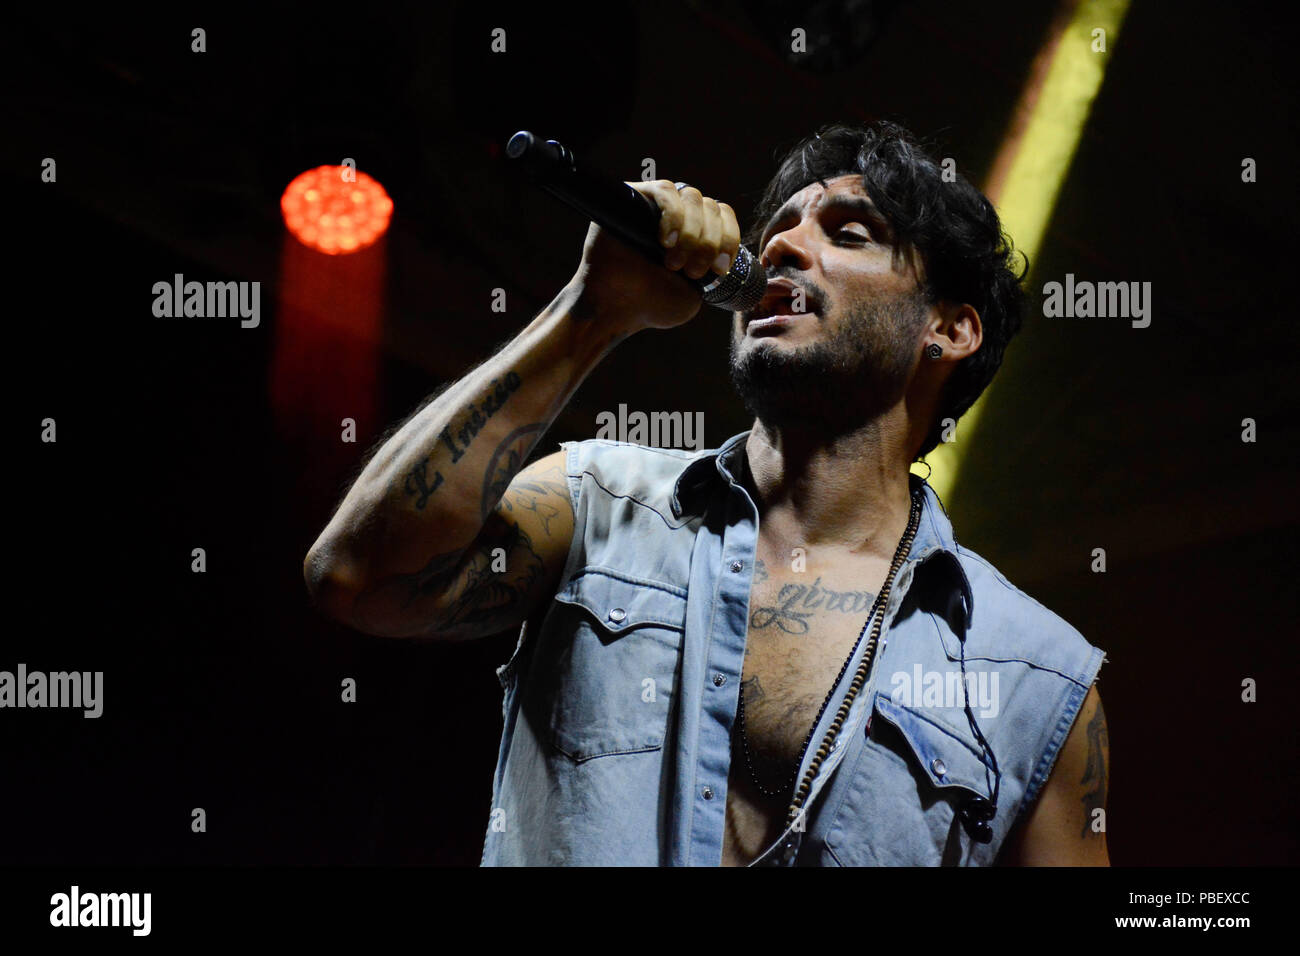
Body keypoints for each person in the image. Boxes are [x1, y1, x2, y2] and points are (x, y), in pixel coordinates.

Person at [303, 120, 1109, 867]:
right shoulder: (599, 504)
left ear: (951, 329)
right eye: (778, 230)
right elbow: (358, 578)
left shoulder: (1035, 678)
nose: (784, 248)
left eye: (848, 234)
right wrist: (593, 312)